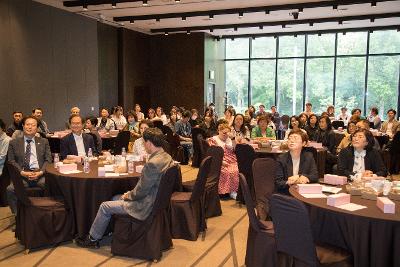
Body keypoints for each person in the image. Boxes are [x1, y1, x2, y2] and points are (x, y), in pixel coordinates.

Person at [76, 127, 174, 248]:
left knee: (104, 206)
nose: (144, 145)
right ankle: (114, 232)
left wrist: (129, 195)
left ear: (149, 143)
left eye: (144, 142)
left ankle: (92, 239)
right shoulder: (166, 156)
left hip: (145, 205)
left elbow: (141, 192)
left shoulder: (152, 164)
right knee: (115, 197)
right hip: (157, 201)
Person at [6, 116, 52, 215]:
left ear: (37, 128)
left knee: (52, 186)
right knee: (10, 190)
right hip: (22, 175)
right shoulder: (13, 143)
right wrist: (22, 172)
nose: (30, 127)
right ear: (23, 126)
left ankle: (44, 215)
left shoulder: (44, 142)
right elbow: (11, 161)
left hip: (40, 174)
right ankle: (18, 216)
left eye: (33, 125)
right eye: (27, 124)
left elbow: (48, 160)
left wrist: (40, 172)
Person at [275, 130, 318, 194]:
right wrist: (290, 182)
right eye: (289, 139)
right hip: (287, 193)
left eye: (295, 138)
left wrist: (299, 176)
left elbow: (315, 176)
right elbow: (278, 182)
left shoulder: (308, 156)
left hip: (304, 193)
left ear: (303, 143)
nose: (291, 141)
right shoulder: (281, 158)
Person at [208, 123, 239, 200]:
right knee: (229, 171)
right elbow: (212, 154)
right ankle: (228, 191)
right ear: (219, 131)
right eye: (224, 133)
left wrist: (233, 139)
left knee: (238, 169)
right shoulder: (213, 140)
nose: (225, 135)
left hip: (232, 159)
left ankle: (235, 190)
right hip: (219, 160)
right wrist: (221, 162)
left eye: (227, 133)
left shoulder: (230, 139)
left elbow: (235, 150)